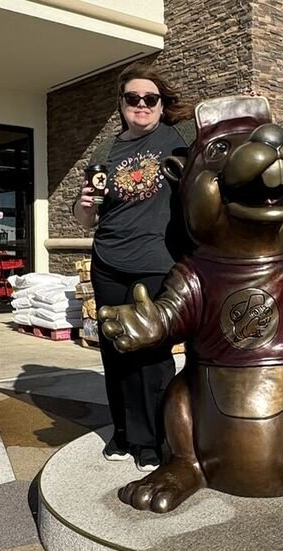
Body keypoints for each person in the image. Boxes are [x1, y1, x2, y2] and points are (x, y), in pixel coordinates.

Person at [74, 63, 196, 471]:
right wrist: (84, 207)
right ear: (122, 104)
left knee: (151, 353)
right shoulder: (105, 151)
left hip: (156, 262)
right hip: (107, 262)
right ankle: (124, 433)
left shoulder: (179, 139)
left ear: (161, 104)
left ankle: (153, 441)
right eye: (133, 99)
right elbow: (86, 216)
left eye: (150, 99)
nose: (141, 105)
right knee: (115, 352)